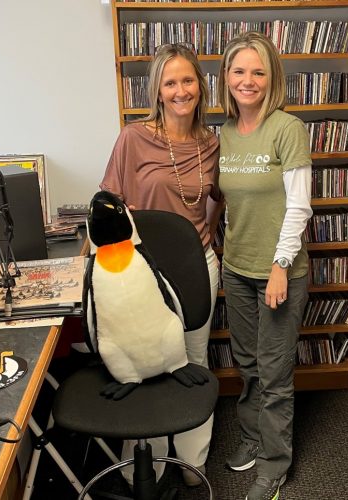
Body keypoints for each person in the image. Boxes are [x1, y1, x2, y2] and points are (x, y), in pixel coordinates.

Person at [100, 42, 221, 488]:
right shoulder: (134, 138)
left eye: (188, 80)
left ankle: (191, 462)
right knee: (147, 363)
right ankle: (143, 461)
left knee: (193, 360)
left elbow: (218, 199)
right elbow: (108, 202)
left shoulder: (211, 143)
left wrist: (208, 236)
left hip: (197, 266)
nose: (180, 90)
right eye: (170, 82)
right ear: (157, 90)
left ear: (200, 85)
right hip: (142, 273)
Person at [217, 32, 313, 500]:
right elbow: (229, 204)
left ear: (272, 77)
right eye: (239, 71)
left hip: (279, 272)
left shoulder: (287, 128)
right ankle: (254, 437)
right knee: (249, 364)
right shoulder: (225, 132)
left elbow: (299, 206)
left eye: (258, 71)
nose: (248, 80)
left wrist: (280, 265)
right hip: (236, 267)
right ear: (226, 77)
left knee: (274, 374)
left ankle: (274, 466)